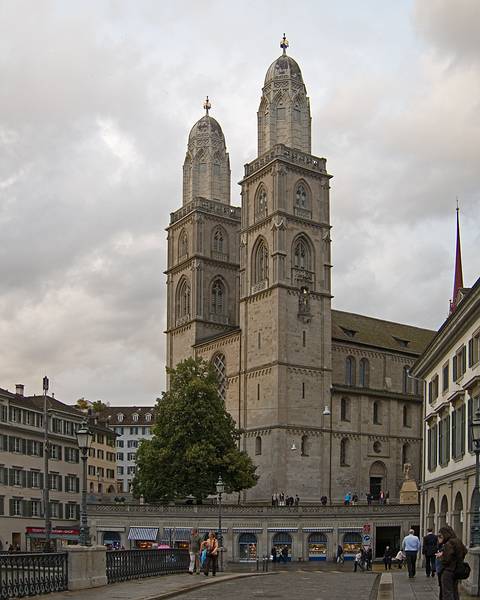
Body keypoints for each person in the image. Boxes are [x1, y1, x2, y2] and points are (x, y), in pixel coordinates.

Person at [436, 525, 467, 600]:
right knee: (454, 591)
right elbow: (465, 551)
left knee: (447, 593)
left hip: (448, 571)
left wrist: (441, 556)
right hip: (456, 570)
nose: (440, 537)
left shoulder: (448, 544)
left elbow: (446, 559)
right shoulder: (458, 541)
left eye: (441, 535)